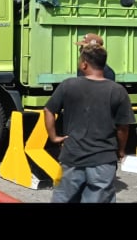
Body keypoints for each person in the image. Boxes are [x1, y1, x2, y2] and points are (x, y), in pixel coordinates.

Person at [44, 43, 134, 203]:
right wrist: (120, 150)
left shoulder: (68, 85)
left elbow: (48, 110)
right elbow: (123, 128)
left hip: (72, 157)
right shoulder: (118, 91)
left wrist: (54, 137)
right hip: (103, 160)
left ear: (84, 64)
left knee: (63, 198)